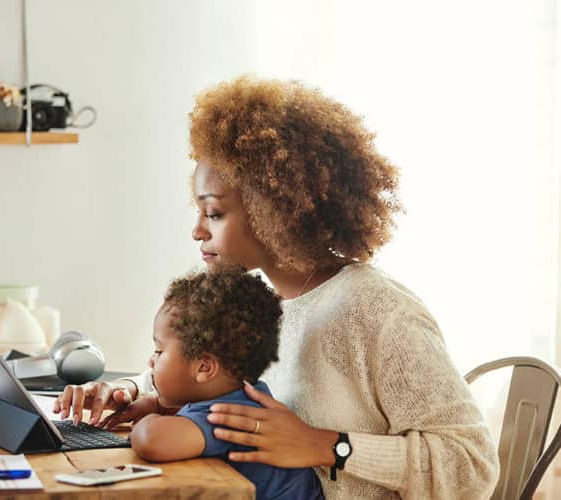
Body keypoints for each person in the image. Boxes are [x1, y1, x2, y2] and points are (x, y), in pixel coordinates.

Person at [53, 75, 500, 499]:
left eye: (214, 213)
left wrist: (329, 447)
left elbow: (473, 466)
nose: (197, 232)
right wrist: (135, 392)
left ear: (275, 208)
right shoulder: (264, 303)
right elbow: (214, 379)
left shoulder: (376, 310)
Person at [127, 266, 324, 500]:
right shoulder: (250, 397)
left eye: (159, 350)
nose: (151, 361)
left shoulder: (230, 417)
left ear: (204, 367)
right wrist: (158, 407)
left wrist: (145, 423)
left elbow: (152, 440)